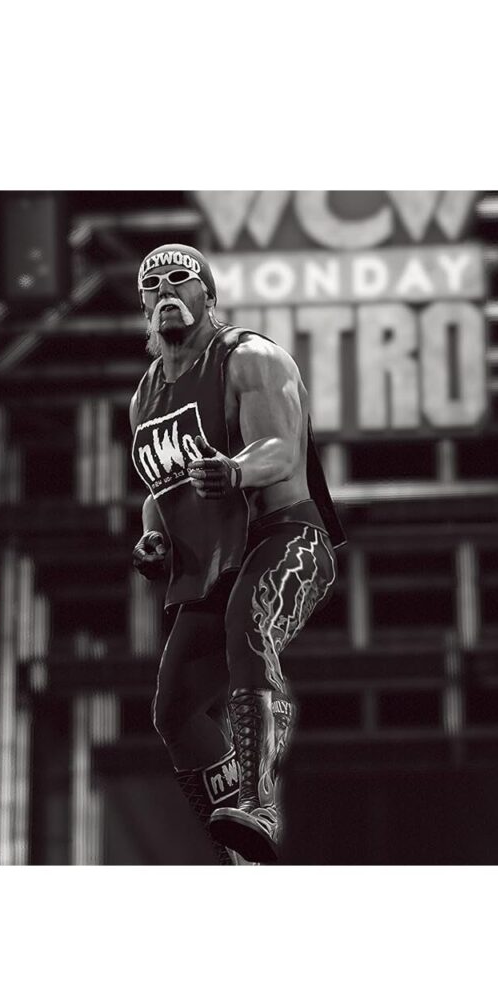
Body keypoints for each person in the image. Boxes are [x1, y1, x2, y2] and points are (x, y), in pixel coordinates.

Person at [128, 243, 345, 864]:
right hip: (215, 564)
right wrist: (153, 539)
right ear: (143, 305)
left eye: (180, 279)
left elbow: (281, 445)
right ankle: (241, 853)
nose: (166, 291)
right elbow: (161, 490)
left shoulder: (250, 357)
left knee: (248, 623)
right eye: (153, 285)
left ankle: (259, 804)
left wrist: (235, 469)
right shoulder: (146, 396)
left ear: (208, 294)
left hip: (288, 537)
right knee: (173, 709)